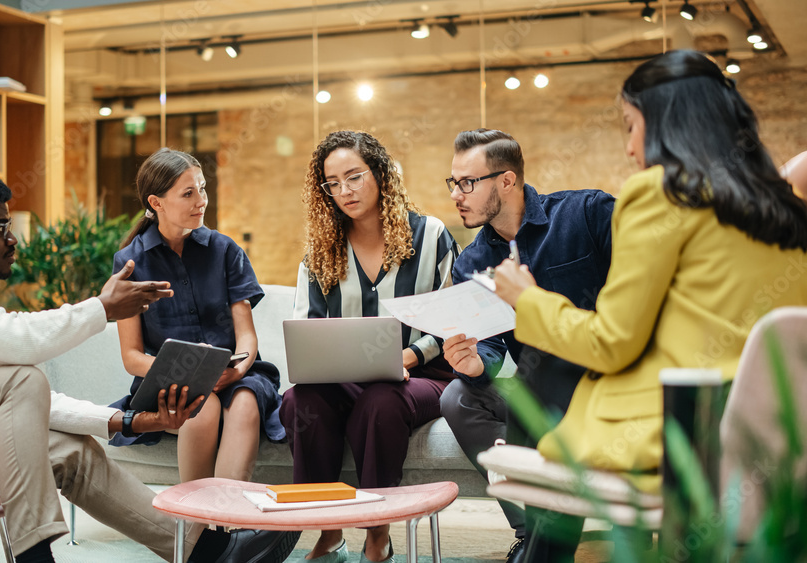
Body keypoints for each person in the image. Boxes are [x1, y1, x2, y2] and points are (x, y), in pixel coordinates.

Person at [0, 169, 299, 563]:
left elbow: (28, 404)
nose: (11, 239)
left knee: (68, 452)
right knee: (19, 377)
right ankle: (36, 556)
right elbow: (18, 347)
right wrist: (102, 308)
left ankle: (203, 551)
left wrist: (129, 420)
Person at [491, 50, 807, 561]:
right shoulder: (788, 213)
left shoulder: (659, 194)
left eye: (631, 126)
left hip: (680, 435)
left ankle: (541, 549)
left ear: (666, 124)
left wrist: (528, 300)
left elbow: (611, 344)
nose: (630, 149)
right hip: (774, 443)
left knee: (547, 366)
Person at [279, 130, 459, 563]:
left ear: (379, 173)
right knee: (300, 402)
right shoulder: (320, 250)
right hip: (344, 379)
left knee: (381, 402)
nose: (344, 191)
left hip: (420, 375)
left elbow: (451, 320)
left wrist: (410, 356)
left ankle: (378, 530)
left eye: (354, 177)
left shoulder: (430, 235)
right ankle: (328, 529)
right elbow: (307, 327)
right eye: (333, 183)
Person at [438, 129, 616, 562]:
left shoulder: (587, 213)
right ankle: (531, 527)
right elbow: (493, 346)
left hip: (610, 375)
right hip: (538, 390)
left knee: (542, 390)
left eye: (468, 183)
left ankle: (547, 528)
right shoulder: (473, 262)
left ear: (506, 180)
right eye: (453, 183)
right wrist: (474, 361)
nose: (457, 195)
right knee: (458, 395)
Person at [109, 148, 287, 488]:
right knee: (200, 408)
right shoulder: (130, 263)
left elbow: (246, 337)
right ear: (156, 202)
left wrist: (237, 368)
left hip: (237, 374)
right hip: (172, 381)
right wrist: (185, 374)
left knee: (247, 402)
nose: (201, 200)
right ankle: (196, 525)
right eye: (188, 193)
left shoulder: (226, 251)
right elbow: (132, 357)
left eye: (202, 189)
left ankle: (230, 520)